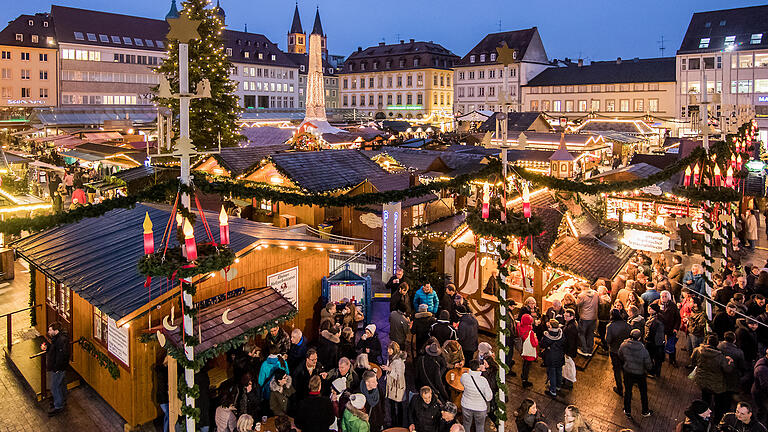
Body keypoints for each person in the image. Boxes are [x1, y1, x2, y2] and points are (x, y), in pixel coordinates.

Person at [691, 335, 734, 423]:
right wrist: (730, 362)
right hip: (716, 383)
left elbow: (693, 360)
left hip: (702, 380)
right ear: (717, 344)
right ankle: (716, 419)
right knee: (718, 403)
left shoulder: (698, 350)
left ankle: (703, 417)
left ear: (707, 342)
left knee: (705, 398)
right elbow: (728, 370)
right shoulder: (720, 357)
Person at [618, 329, 653, 418]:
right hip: (640, 374)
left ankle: (627, 411)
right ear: (639, 338)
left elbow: (620, 355)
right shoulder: (643, 349)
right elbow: (648, 364)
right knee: (643, 392)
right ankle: (645, 411)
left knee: (628, 391)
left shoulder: (624, 345)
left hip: (628, 372)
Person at [43, 322, 70, 416]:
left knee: (54, 386)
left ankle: (58, 405)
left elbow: (62, 356)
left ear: (56, 331)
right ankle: (62, 400)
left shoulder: (60, 340)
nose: (48, 331)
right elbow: (55, 350)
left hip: (58, 368)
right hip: (59, 367)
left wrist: (57, 368)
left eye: (50, 330)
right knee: (61, 384)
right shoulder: (58, 338)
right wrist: (47, 348)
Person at [460, 359, 492, 432]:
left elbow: (462, 383)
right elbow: (489, 397)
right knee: (480, 427)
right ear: (478, 368)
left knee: (466, 424)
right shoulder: (483, 380)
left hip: (466, 405)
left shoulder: (464, 376)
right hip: (480, 408)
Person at [606, 308, 631, 396]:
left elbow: (608, 340)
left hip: (614, 351)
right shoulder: (627, 324)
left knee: (617, 370)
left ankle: (619, 388)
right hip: (625, 350)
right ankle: (628, 388)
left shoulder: (610, 326)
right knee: (625, 369)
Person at [383, 342, 407, 427]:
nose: (388, 351)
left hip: (397, 388)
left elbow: (399, 376)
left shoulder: (398, 362)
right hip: (393, 387)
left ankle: (398, 425)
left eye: (390, 349)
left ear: (394, 350)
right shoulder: (392, 358)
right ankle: (395, 424)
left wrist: (389, 369)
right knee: (393, 406)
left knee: (397, 407)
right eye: (388, 349)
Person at [540, 319, 566, 397]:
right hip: (560, 356)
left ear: (551, 326)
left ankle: (552, 391)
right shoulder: (561, 334)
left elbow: (542, 344)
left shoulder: (547, 335)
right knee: (559, 371)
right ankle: (558, 387)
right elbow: (564, 343)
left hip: (550, 357)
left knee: (552, 374)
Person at [658, 291, 681, 367]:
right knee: (661, 343)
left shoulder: (673, 306)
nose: (663, 298)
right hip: (661, 328)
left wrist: (676, 328)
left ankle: (672, 360)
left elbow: (678, 318)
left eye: (665, 296)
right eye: (662, 296)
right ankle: (662, 357)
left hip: (670, 328)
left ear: (669, 297)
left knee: (671, 344)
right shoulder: (657, 303)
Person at [518, 313, 539, 388]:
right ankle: (525, 380)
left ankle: (523, 374)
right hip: (529, 351)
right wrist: (535, 338)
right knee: (527, 366)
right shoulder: (530, 332)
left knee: (524, 364)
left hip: (523, 349)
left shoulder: (519, 326)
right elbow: (534, 344)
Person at [645, 303, 666, 377]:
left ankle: (652, 372)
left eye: (650, 308)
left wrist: (647, 339)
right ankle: (657, 372)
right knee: (658, 359)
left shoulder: (655, 321)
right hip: (658, 342)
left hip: (653, 342)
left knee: (651, 357)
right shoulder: (659, 317)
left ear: (654, 310)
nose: (648, 309)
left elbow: (651, 333)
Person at [562, 308, 579, 389]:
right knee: (567, 367)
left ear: (572, 317)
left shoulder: (571, 328)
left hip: (569, 351)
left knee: (569, 367)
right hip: (569, 350)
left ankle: (569, 383)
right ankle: (566, 381)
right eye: (564, 315)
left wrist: (568, 353)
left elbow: (571, 342)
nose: (565, 317)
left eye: (567, 316)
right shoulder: (571, 323)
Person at [752, 349, 768, 426]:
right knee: (762, 411)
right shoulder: (762, 369)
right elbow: (765, 386)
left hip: (761, 392)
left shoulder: (764, 360)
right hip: (760, 394)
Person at [155, 357, 169, 432]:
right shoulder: (163, 373)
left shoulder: (160, 371)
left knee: (167, 416)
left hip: (161, 399)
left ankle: (165, 429)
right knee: (169, 416)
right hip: (164, 399)